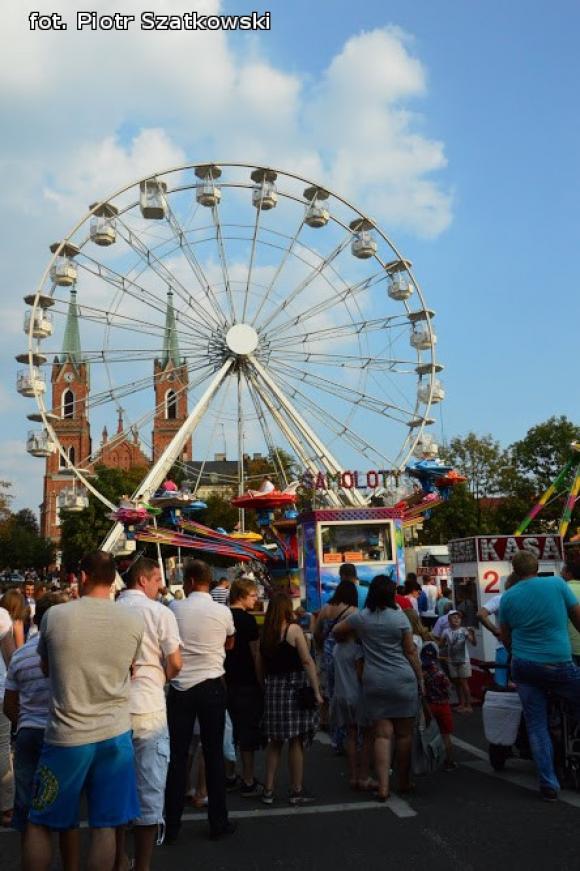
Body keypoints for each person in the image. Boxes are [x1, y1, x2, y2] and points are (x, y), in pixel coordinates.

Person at [23, 551, 144, 871]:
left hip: (67, 734)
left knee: (41, 822)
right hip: (114, 734)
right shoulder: (132, 620)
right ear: (113, 578)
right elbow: (130, 670)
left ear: (84, 576)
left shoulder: (55, 617)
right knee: (105, 824)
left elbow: (46, 667)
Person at [115, 557, 182, 871]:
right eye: (158, 580)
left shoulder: (111, 610)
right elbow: (176, 661)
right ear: (143, 580)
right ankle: (142, 865)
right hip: (148, 706)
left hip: (113, 708)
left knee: (114, 789)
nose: (162, 587)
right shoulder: (159, 612)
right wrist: (162, 676)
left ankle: (117, 857)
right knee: (150, 791)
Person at [499, 551, 580, 801]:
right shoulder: (557, 584)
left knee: (537, 724)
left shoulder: (508, 597)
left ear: (514, 570)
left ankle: (548, 783)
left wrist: (518, 653)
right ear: (537, 567)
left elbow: (506, 636)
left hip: (525, 666)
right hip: (558, 663)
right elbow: (578, 619)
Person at [164, 559, 236, 843]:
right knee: (213, 753)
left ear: (191, 581)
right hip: (211, 685)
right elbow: (230, 643)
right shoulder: (222, 611)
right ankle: (218, 821)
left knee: (177, 757)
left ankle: (171, 825)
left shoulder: (175, 608)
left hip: (181, 687)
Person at [334, 575, 422, 801]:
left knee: (382, 735)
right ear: (392, 594)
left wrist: (355, 637)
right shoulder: (400, 618)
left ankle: (383, 786)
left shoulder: (362, 617)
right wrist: (420, 678)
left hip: (374, 681)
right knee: (403, 735)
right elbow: (410, 651)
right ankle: (403, 781)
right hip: (402, 679)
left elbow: (336, 631)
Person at [3, 594, 70, 848]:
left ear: (35, 619)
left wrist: (24, 721)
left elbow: (10, 704)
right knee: (64, 806)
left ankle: (30, 858)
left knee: (28, 805)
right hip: (61, 732)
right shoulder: (68, 653)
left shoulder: (21, 655)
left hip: (28, 732)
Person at [259, 593, 323, 806]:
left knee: (275, 743)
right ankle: (296, 790)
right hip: (294, 689)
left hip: (273, 690)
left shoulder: (265, 634)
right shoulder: (293, 630)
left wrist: (264, 688)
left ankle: (268, 790)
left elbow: (260, 666)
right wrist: (316, 691)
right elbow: (307, 661)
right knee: (296, 740)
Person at [225, 577, 264, 796]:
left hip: (225, 680)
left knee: (228, 731)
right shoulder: (248, 622)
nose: (256, 599)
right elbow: (255, 653)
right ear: (241, 596)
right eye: (253, 596)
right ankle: (248, 778)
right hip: (246, 681)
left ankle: (230, 774)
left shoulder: (222, 617)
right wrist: (261, 682)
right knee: (247, 732)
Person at [420, 642, 457, 770]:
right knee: (446, 735)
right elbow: (449, 688)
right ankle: (450, 761)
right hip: (444, 705)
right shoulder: (441, 673)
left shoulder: (421, 672)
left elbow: (421, 691)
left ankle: (423, 761)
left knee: (423, 734)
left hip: (428, 705)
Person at [439, 611, 476, 712]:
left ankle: (469, 706)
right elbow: (441, 645)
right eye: (454, 617)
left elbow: (474, 643)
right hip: (452, 661)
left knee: (464, 683)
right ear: (449, 620)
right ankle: (461, 704)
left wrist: (473, 634)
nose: (456, 619)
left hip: (464, 660)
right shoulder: (446, 631)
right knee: (457, 684)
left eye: (458, 618)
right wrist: (443, 642)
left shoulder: (464, 630)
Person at [0, 598, 16, 828]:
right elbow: (11, 656)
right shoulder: (1, 615)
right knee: (2, 747)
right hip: (0, 690)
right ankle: (5, 808)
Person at [562, 555, 580, 666]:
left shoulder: (562, 589)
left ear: (569, 573)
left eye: (563, 571)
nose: (561, 573)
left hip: (569, 647)